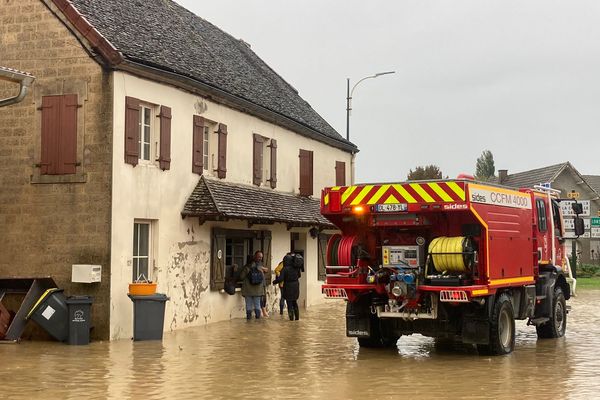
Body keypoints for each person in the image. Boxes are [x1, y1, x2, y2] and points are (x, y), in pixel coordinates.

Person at [272, 253, 303, 320]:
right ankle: (297, 319)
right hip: (296, 286)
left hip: (288, 286)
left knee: (289, 303)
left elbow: (280, 279)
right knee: (295, 302)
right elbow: (299, 276)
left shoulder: (285, 269)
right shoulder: (296, 268)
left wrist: (274, 282)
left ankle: (291, 319)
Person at [239, 251, 265, 319]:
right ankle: (258, 321)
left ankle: (249, 321)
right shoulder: (260, 267)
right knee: (257, 306)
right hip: (258, 291)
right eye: (260, 257)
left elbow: (241, 277)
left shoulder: (247, 267)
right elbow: (262, 278)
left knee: (248, 306)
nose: (261, 258)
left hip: (248, 290)